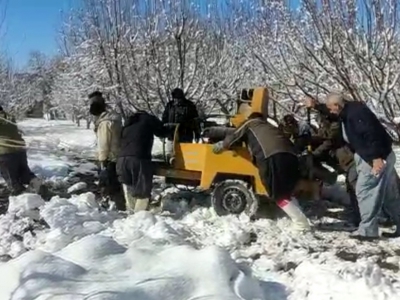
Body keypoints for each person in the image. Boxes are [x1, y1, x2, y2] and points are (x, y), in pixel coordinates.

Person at [305, 92, 400, 240]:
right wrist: (316, 106)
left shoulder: (355, 115)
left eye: (331, 108)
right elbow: (333, 115)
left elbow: (372, 134)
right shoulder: (349, 110)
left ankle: (368, 231)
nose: (330, 112)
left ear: (337, 106)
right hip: (384, 155)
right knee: (389, 194)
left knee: (364, 191)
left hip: (374, 158)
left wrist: (376, 158)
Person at [212, 112, 311, 231]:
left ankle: (301, 224)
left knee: (278, 195)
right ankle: (299, 218)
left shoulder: (249, 123)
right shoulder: (271, 127)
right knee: (287, 191)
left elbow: (234, 136)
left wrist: (221, 145)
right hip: (291, 157)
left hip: (272, 157)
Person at [116, 111, 168, 213]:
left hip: (122, 160)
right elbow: (162, 132)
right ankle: (139, 217)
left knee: (129, 188)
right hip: (139, 159)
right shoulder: (148, 119)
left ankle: (131, 214)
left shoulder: (128, 122)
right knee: (142, 191)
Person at [89, 91, 124, 210]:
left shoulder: (105, 123)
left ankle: (108, 205)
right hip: (116, 156)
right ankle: (119, 204)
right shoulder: (114, 119)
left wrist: (102, 159)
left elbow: (104, 143)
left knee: (107, 182)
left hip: (109, 158)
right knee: (115, 183)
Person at [0, 106, 46, 196]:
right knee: (23, 171)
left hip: (6, 152)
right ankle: (34, 181)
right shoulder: (8, 117)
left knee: (11, 177)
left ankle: (20, 196)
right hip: (19, 150)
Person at [162, 88, 201, 161]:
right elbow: (164, 118)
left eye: (178, 99)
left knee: (184, 155)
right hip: (171, 134)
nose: (176, 101)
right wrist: (163, 130)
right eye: (175, 99)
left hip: (185, 134)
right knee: (170, 153)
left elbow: (195, 120)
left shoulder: (189, 106)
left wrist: (197, 133)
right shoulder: (170, 106)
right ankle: (171, 162)